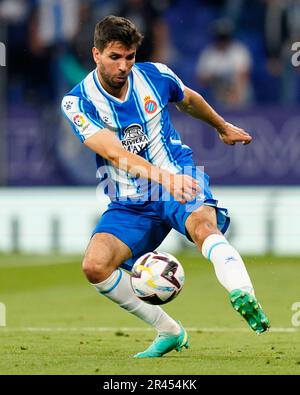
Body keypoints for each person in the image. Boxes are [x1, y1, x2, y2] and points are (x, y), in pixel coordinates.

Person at [61, 15, 270, 358]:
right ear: (95, 54)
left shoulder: (155, 75)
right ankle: (169, 330)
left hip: (177, 176)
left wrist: (221, 125)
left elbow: (188, 98)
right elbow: (114, 152)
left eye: (129, 57)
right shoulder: (78, 101)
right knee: (95, 266)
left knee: (204, 226)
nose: (124, 66)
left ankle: (242, 292)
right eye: (115, 57)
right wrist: (164, 179)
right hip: (130, 200)